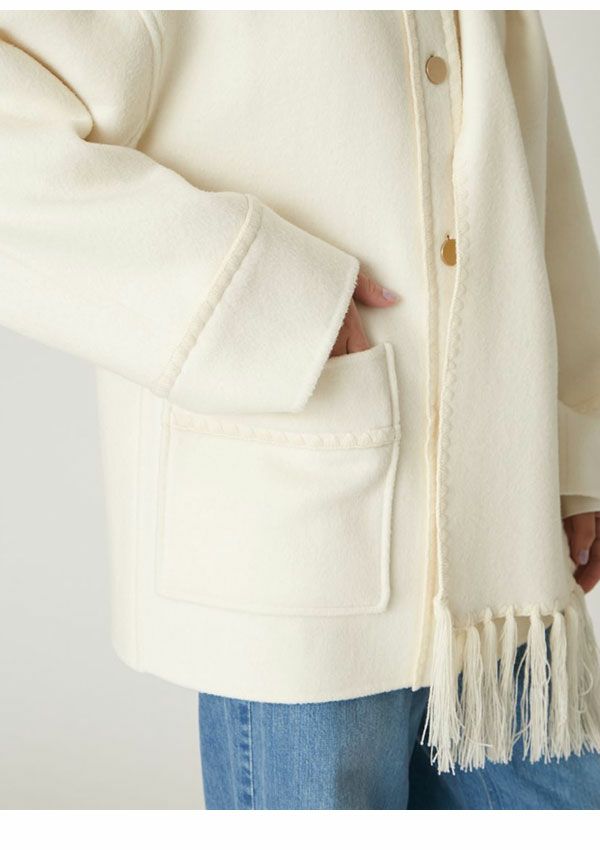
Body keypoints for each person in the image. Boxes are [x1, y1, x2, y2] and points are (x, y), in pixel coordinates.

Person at [1, 10, 600, 810]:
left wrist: (571, 432)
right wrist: (255, 296)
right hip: (302, 556)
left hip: (506, 564)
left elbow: (528, 143)